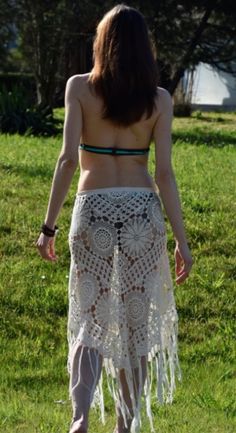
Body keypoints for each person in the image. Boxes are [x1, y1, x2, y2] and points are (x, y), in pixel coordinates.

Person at [36, 4, 193, 433]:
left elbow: (68, 160)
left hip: (93, 208)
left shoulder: (80, 88)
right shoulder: (158, 100)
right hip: (142, 211)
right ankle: (125, 425)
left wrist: (48, 226)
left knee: (90, 318)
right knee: (137, 327)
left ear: (101, 43)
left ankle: (80, 417)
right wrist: (182, 241)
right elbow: (164, 174)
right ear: (146, 49)